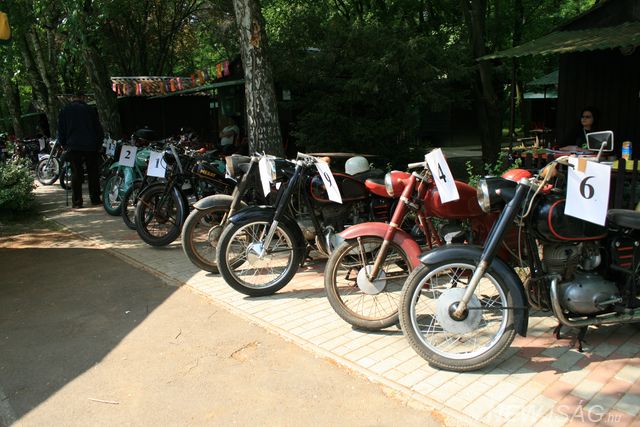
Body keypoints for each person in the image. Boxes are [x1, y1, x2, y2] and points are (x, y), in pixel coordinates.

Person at [58, 94, 104, 209]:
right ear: (83, 98)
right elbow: (98, 128)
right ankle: (95, 198)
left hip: (73, 145)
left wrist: (63, 144)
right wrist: (99, 144)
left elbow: (61, 130)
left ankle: (77, 202)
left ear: (72, 99)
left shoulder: (65, 110)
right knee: (93, 173)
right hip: (91, 145)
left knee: (76, 173)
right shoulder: (90, 110)